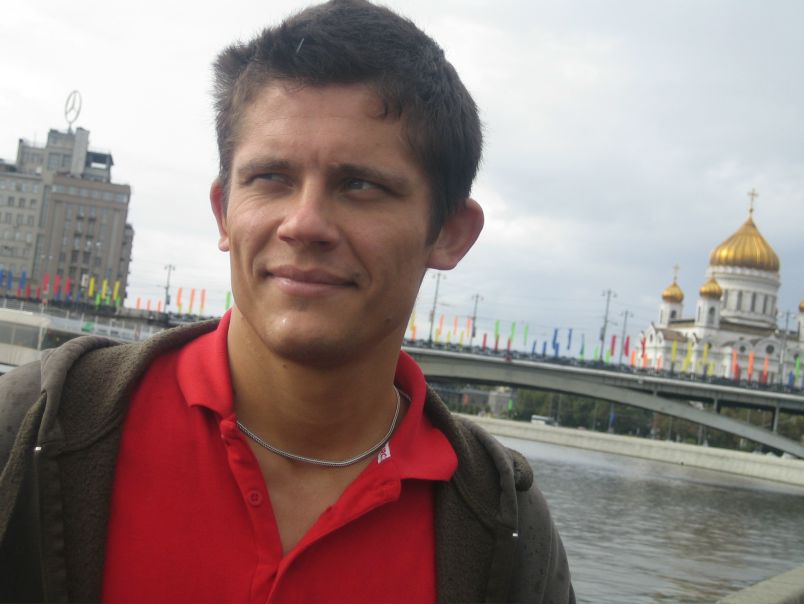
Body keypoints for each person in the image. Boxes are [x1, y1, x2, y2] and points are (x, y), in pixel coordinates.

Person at [0, 1, 574, 602]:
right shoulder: (39, 425)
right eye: (271, 178)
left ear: (450, 233)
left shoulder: (502, 526)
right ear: (224, 212)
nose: (304, 224)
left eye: (360, 185)